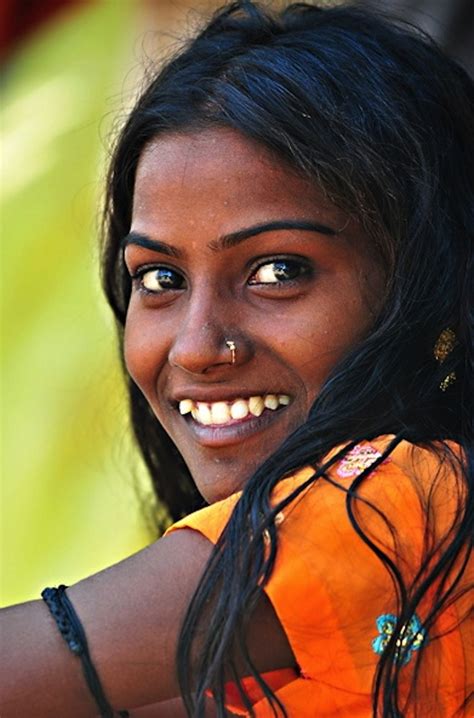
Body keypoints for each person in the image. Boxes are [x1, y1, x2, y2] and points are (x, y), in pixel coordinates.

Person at [1, 1, 472, 716]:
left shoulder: (397, 502)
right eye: (160, 279)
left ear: (432, 286)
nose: (195, 346)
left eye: (278, 271)